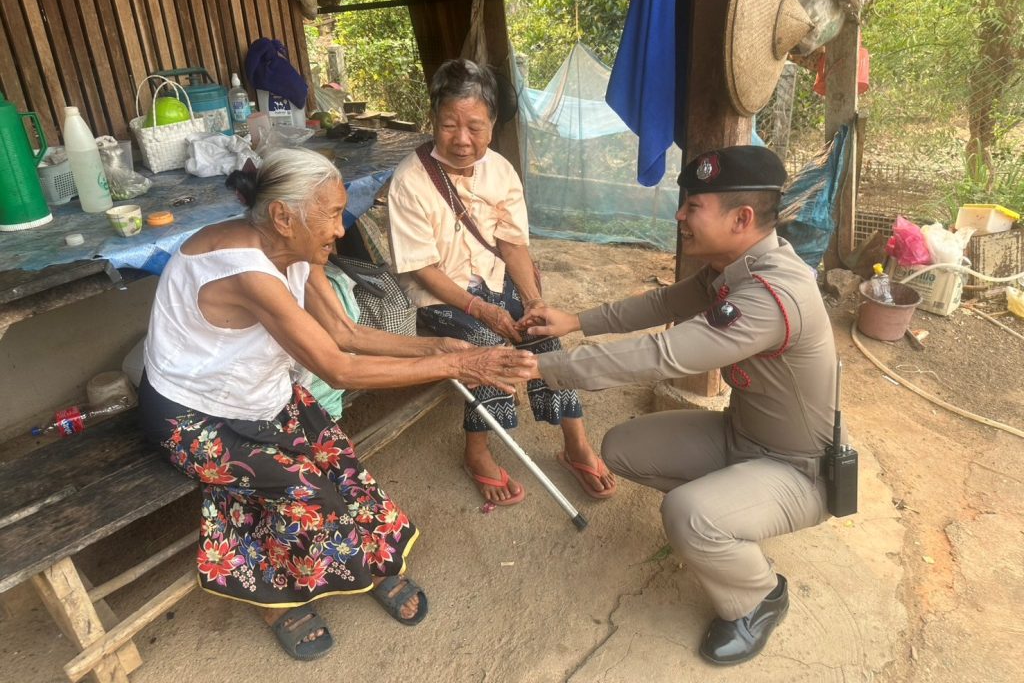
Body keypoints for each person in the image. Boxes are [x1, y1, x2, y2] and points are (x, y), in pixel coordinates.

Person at [139, 148, 534, 662]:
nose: (341, 230)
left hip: (262, 395)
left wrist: (441, 347)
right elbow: (338, 369)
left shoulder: (293, 250)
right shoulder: (246, 271)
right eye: (331, 215)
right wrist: (460, 365)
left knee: (341, 464)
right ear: (283, 216)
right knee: (302, 490)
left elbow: (345, 333)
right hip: (192, 415)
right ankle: (274, 597)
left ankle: (365, 558)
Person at [520, 146, 837, 665]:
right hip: (742, 437)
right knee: (623, 446)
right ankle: (723, 518)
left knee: (687, 513)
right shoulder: (735, 267)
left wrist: (540, 368)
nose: (679, 216)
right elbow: (665, 303)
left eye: (693, 206)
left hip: (799, 471)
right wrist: (576, 321)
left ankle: (759, 597)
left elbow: (661, 355)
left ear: (741, 219)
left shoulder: (772, 294)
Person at [386, 59, 616, 506]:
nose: (462, 139)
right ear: (432, 119)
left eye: (475, 126)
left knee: (543, 334)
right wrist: (482, 310)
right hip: (439, 294)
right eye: (449, 125)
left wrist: (533, 301)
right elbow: (422, 269)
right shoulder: (409, 181)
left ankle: (575, 443)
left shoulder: (501, 170)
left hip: (494, 280)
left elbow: (512, 244)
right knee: (489, 352)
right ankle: (476, 452)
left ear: (492, 125)